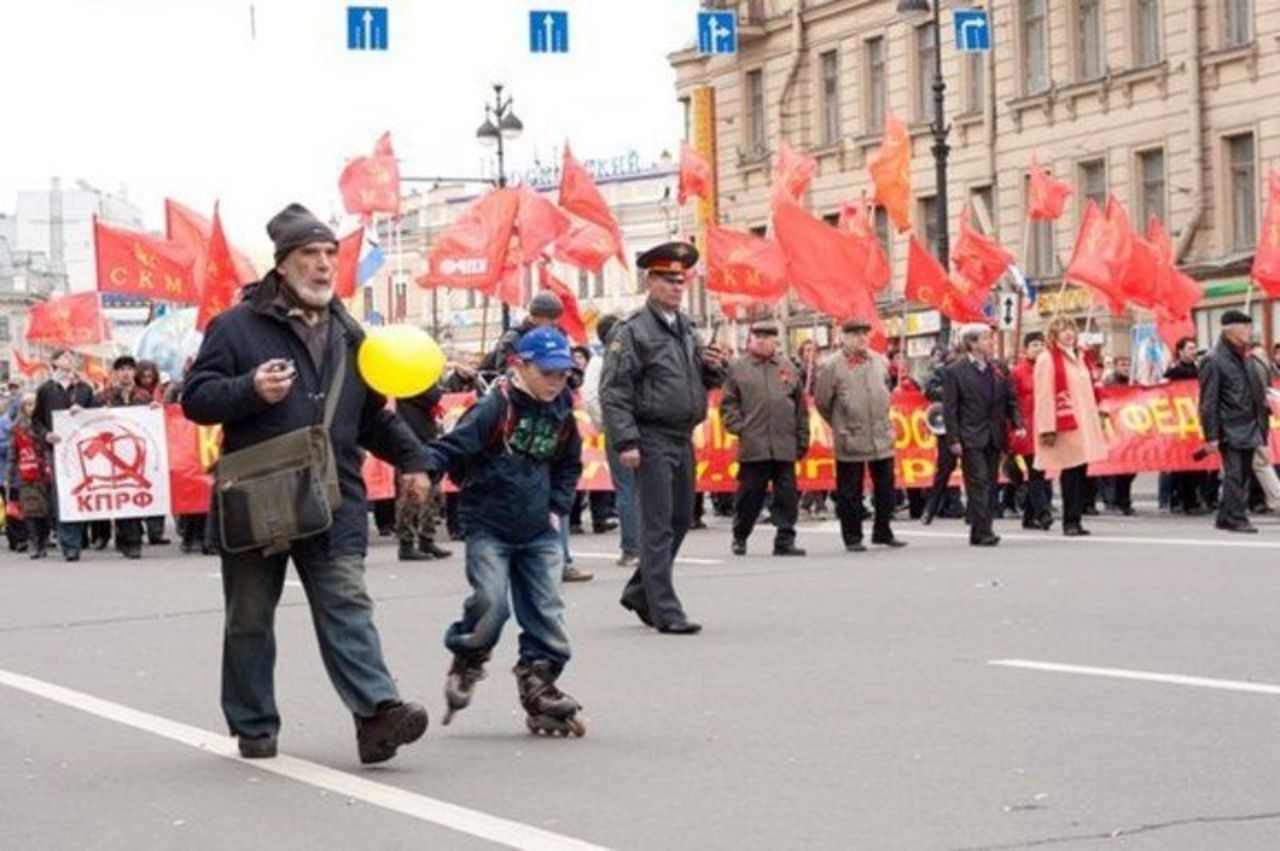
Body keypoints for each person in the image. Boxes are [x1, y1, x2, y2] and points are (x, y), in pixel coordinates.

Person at [182, 203, 430, 763]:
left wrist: (414, 462)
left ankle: (377, 714)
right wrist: (248, 388)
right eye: (309, 255)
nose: (322, 266)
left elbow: (372, 419)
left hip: (333, 494)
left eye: (329, 255)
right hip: (257, 497)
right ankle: (254, 725)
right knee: (249, 618)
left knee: (347, 603)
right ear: (283, 264)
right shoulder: (236, 325)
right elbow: (196, 398)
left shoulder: (349, 331)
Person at [423, 326, 586, 736]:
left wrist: (556, 507)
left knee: (547, 610)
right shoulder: (492, 408)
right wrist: (420, 471)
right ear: (520, 366)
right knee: (491, 602)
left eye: (563, 373)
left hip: (539, 529)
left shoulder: (562, 410)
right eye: (548, 373)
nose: (556, 381)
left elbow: (569, 464)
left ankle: (540, 682)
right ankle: (470, 655)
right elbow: (452, 449)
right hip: (489, 526)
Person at [602, 241, 729, 635]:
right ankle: (665, 610)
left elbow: (696, 381)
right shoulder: (633, 331)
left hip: (680, 434)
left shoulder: (686, 329)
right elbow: (615, 390)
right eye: (668, 280)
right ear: (650, 282)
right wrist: (626, 442)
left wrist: (714, 368)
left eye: (681, 280)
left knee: (678, 518)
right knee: (657, 524)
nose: (677, 287)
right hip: (650, 434)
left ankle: (642, 590)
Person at [815, 318, 907, 552]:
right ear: (844, 338)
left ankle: (883, 531)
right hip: (850, 435)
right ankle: (852, 536)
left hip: (880, 434)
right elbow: (823, 402)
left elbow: (884, 388)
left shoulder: (878, 360)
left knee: (886, 487)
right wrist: (840, 422)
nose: (861, 339)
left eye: (864, 334)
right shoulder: (832, 365)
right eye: (856, 335)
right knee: (849, 491)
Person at [720, 321, 808, 557]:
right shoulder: (739, 368)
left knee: (787, 495)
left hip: (784, 443)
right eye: (757, 336)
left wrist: (802, 437)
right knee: (750, 495)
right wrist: (740, 428)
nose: (761, 340)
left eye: (766, 337)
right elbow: (728, 404)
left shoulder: (788, 368)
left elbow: (800, 407)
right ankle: (740, 535)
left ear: (775, 342)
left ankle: (785, 539)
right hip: (754, 444)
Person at [942, 323, 1025, 547]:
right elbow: (950, 409)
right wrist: (954, 439)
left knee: (990, 482)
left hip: (994, 434)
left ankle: (979, 531)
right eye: (986, 338)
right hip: (970, 436)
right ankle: (984, 530)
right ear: (972, 343)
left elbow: (1011, 400)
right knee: (978, 483)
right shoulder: (954, 371)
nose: (990, 342)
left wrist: (1018, 423)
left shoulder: (998, 368)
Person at [1033, 317, 1108, 537]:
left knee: (1081, 469)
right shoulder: (1048, 359)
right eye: (1062, 330)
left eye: (1070, 330)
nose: (1068, 334)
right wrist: (1047, 426)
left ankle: (1077, 517)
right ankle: (1070, 521)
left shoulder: (1081, 357)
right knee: (1070, 471)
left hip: (1083, 421)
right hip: (1065, 422)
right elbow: (1044, 394)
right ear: (1054, 335)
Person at [1198, 310, 1269, 533]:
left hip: (1250, 424)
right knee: (1235, 474)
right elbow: (1208, 402)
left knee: (1243, 474)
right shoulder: (1214, 360)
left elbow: (1251, 390)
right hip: (1230, 426)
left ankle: (1225, 516)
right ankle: (1237, 517)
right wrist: (1211, 436)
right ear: (1230, 330)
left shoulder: (1245, 357)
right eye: (1245, 327)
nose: (1250, 331)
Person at [31, 349, 99, 562]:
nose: (69, 360)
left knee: (81, 494)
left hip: (82, 452)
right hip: (58, 451)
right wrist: (46, 434)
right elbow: (36, 421)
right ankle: (69, 543)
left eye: (72, 357)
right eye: (64, 357)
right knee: (63, 497)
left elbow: (97, 416)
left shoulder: (85, 389)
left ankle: (79, 537)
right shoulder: (45, 390)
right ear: (54, 362)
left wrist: (85, 411)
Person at [583, 313, 640, 567]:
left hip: (619, 429)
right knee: (636, 489)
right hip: (635, 427)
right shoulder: (628, 358)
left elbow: (592, 398)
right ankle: (639, 545)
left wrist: (603, 424)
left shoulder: (601, 362)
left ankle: (633, 547)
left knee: (628, 488)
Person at [98, 355, 152, 560]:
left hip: (138, 455)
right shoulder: (104, 398)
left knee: (134, 496)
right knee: (120, 498)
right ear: (116, 373)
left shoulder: (143, 397)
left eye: (130, 369)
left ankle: (133, 539)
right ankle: (127, 538)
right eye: (122, 369)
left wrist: (155, 410)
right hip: (113, 457)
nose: (126, 373)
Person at [393, 381, 452, 562]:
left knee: (433, 493)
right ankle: (407, 542)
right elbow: (433, 396)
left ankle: (426, 538)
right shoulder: (409, 380)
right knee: (411, 494)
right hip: (412, 439)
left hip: (424, 436)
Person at [1008, 331, 1053, 530]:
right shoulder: (1017, 372)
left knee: (1039, 473)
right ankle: (1043, 513)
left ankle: (1029, 517)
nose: (1039, 348)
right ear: (1026, 349)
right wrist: (1014, 427)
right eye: (1034, 344)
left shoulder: (1049, 370)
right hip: (1025, 428)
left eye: (1041, 344)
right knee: (1035, 472)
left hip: (1044, 426)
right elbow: (1011, 402)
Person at [922, 346, 966, 524]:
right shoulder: (943, 371)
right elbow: (929, 391)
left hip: (970, 426)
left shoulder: (975, 371)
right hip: (948, 427)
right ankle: (930, 509)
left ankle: (975, 513)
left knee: (975, 471)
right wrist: (951, 393)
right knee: (944, 470)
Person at [1165, 337, 1208, 515]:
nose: (1193, 351)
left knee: (1200, 466)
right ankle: (1183, 500)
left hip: (1196, 423)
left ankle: (1196, 499)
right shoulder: (1174, 372)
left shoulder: (1199, 370)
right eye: (1190, 348)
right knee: (1183, 466)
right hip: (1180, 424)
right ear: (1180, 351)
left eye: (1194, 348)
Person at [8, 393, 51, 559]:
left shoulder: (43, 425)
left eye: (33, 404)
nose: (31, 408)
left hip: (43, 473)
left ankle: (43, 539)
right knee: (30, 510)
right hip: (25, 474)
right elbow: (14, 453)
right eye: (27, 404)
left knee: (43, 510)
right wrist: (10, 476)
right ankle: (35, 544)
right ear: (22, 407)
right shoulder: (17, 428)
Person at [480, 291, 565, 374]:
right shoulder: (514, 338)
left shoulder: (554, 337)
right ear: (536, 317)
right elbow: (507, 372)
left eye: (557, 318)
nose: (555, 323)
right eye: (551, 318)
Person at [133, 359, 170, 546]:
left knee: (157, 489)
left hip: (158, 448)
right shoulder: (133, 394)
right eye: (144, 376)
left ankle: (156, 531)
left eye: (150, 375)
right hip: (137, 448)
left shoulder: (162, 393)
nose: (147, 379)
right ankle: (137, 529)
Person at [1101, 355, 1137, 516]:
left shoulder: (1133, 383)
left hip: (1128, 430)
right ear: (1115, 366)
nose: (1126, 367)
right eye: (1123, 364)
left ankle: (1124, 501)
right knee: (1113, 471)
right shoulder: (1109, 383)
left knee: (1128, 470)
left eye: (1128, 364)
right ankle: (1111, 502)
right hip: (1112, 430)